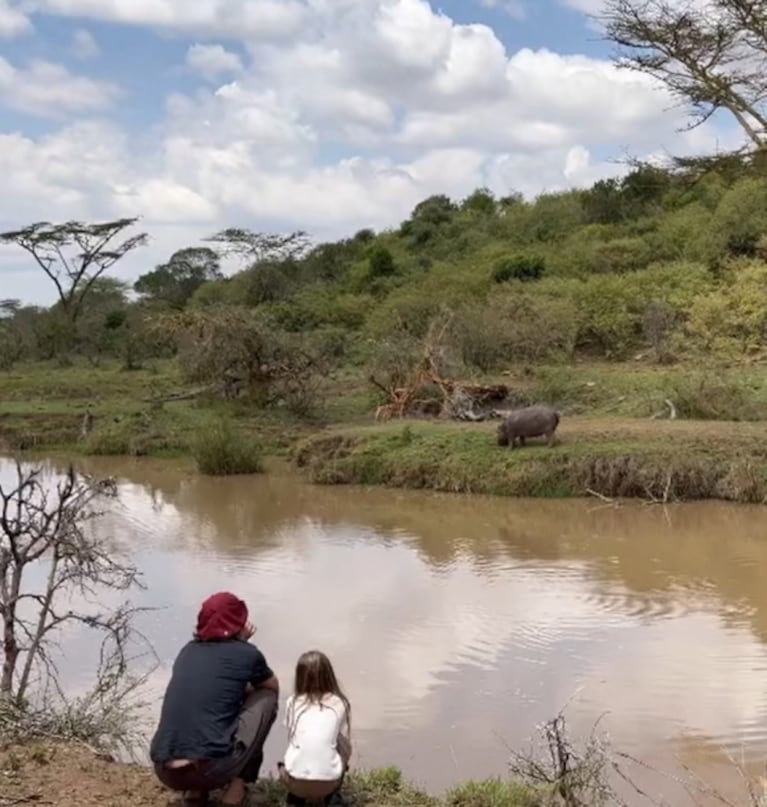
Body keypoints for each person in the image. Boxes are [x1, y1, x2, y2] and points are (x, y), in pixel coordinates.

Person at [150, 592, 279, 807]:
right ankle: (236, 790)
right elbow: (271, 686)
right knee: (266, 698)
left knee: (207, 707)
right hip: (210, 770)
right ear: (238, 623)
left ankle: (193, 793)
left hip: (165, 771)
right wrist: (244, 645)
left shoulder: (187, 651)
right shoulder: (247, 654)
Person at [278, 650, 352, 806]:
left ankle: (296, 797)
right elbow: (340, 739)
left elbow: (292, 732)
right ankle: (331, 796)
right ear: (329, 675)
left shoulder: (292, 702)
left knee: (296, 741)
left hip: (294, 782)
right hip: (329, 782)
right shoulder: (340, 702)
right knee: (343, 743)